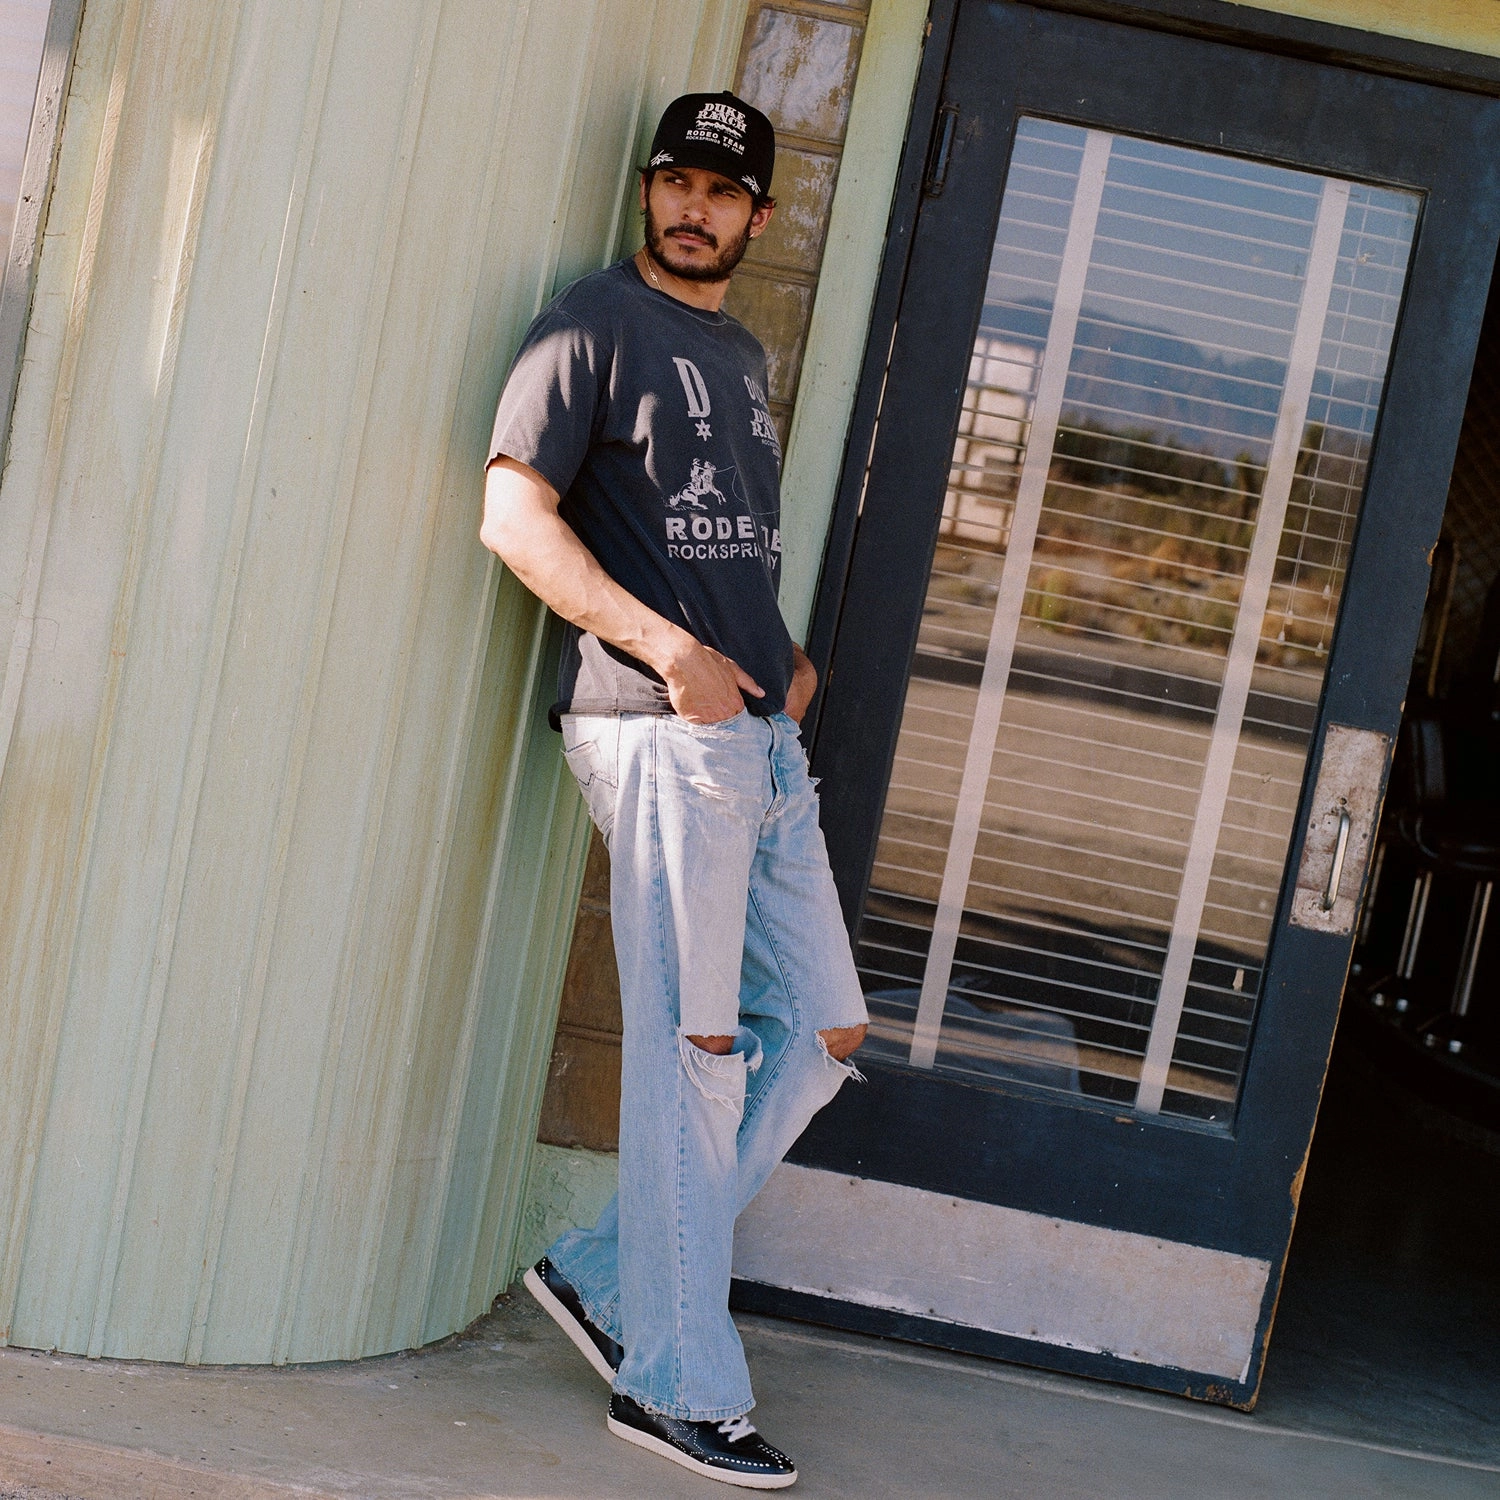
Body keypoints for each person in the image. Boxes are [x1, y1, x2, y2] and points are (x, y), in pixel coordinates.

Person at [480, 90, 867, 1490]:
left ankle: (603, 1275)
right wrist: (672, 652)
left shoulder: (739, 353)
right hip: (660, 732)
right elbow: (512, 518)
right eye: (678, 183)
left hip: (755, 739)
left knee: (817, 1030)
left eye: (724, 192)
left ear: (759, 215)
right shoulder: (589, 326)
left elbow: (716, 534)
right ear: (652, 190)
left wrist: (780, 658)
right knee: (696, 1059)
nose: (696, 209)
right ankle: (676, 1385)